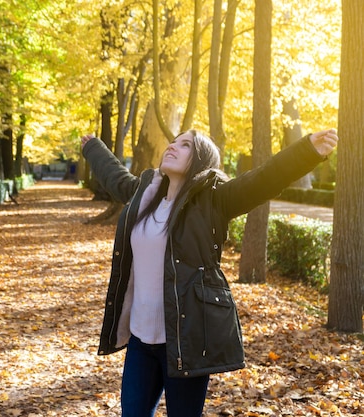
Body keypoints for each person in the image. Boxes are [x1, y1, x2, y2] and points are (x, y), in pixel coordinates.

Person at [81, 128, 338, 417]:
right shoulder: (147, 194)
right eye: (173, 142)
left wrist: (307, 150)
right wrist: (93, 147)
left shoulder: (214, 200)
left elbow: (264, 179)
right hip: (141, 341)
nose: (173, 146)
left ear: (201, 160)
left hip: (186, 339)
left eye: (185, 145)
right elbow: (116, 178)